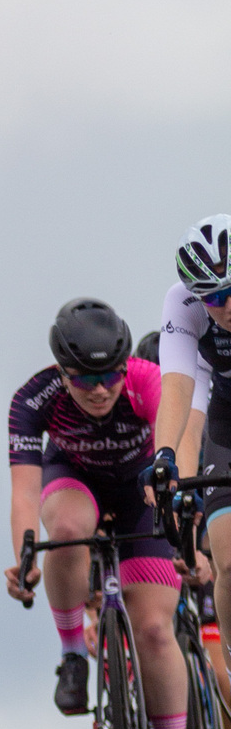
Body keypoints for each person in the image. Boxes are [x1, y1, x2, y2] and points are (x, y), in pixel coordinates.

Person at [5, 297, 201, 729]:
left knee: (157, 632)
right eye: (83, 379)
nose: (99, 389)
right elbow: (23, 492)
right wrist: (24, 553)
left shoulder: (147, 379)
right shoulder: (34, 398)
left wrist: (185, 533)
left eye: (109, 376)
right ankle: (71, 654)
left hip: (142, 489)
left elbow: (179, 454)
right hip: (75, 481)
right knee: (66, 529)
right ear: (61, 371)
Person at [153, 213, 231, 669]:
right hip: (228, 412)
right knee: (225, 548)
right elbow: (179, 389)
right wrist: (165, 458)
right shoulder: (181, 303)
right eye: (214, 298)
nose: (225, 307)